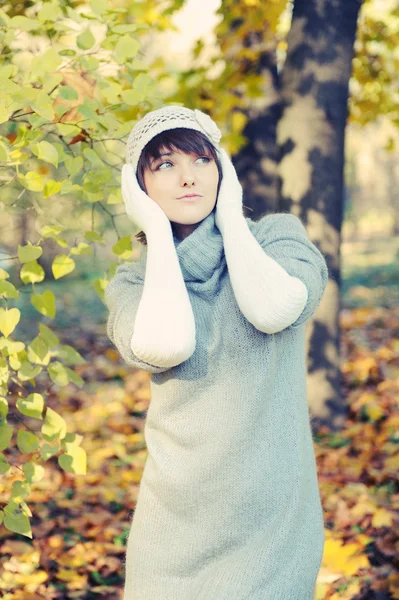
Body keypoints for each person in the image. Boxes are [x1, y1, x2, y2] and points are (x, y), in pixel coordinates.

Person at [104, 105, 329, 600]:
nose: (188, 178)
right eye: (164, 165)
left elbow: (273, 310)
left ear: (223, 169)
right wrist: (159, 236)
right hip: (172, 533)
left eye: (202, 160)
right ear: (138, 189)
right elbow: (166, 344)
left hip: (272, 531)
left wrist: (230, 217)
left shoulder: (276, 239)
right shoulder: (134, 282)